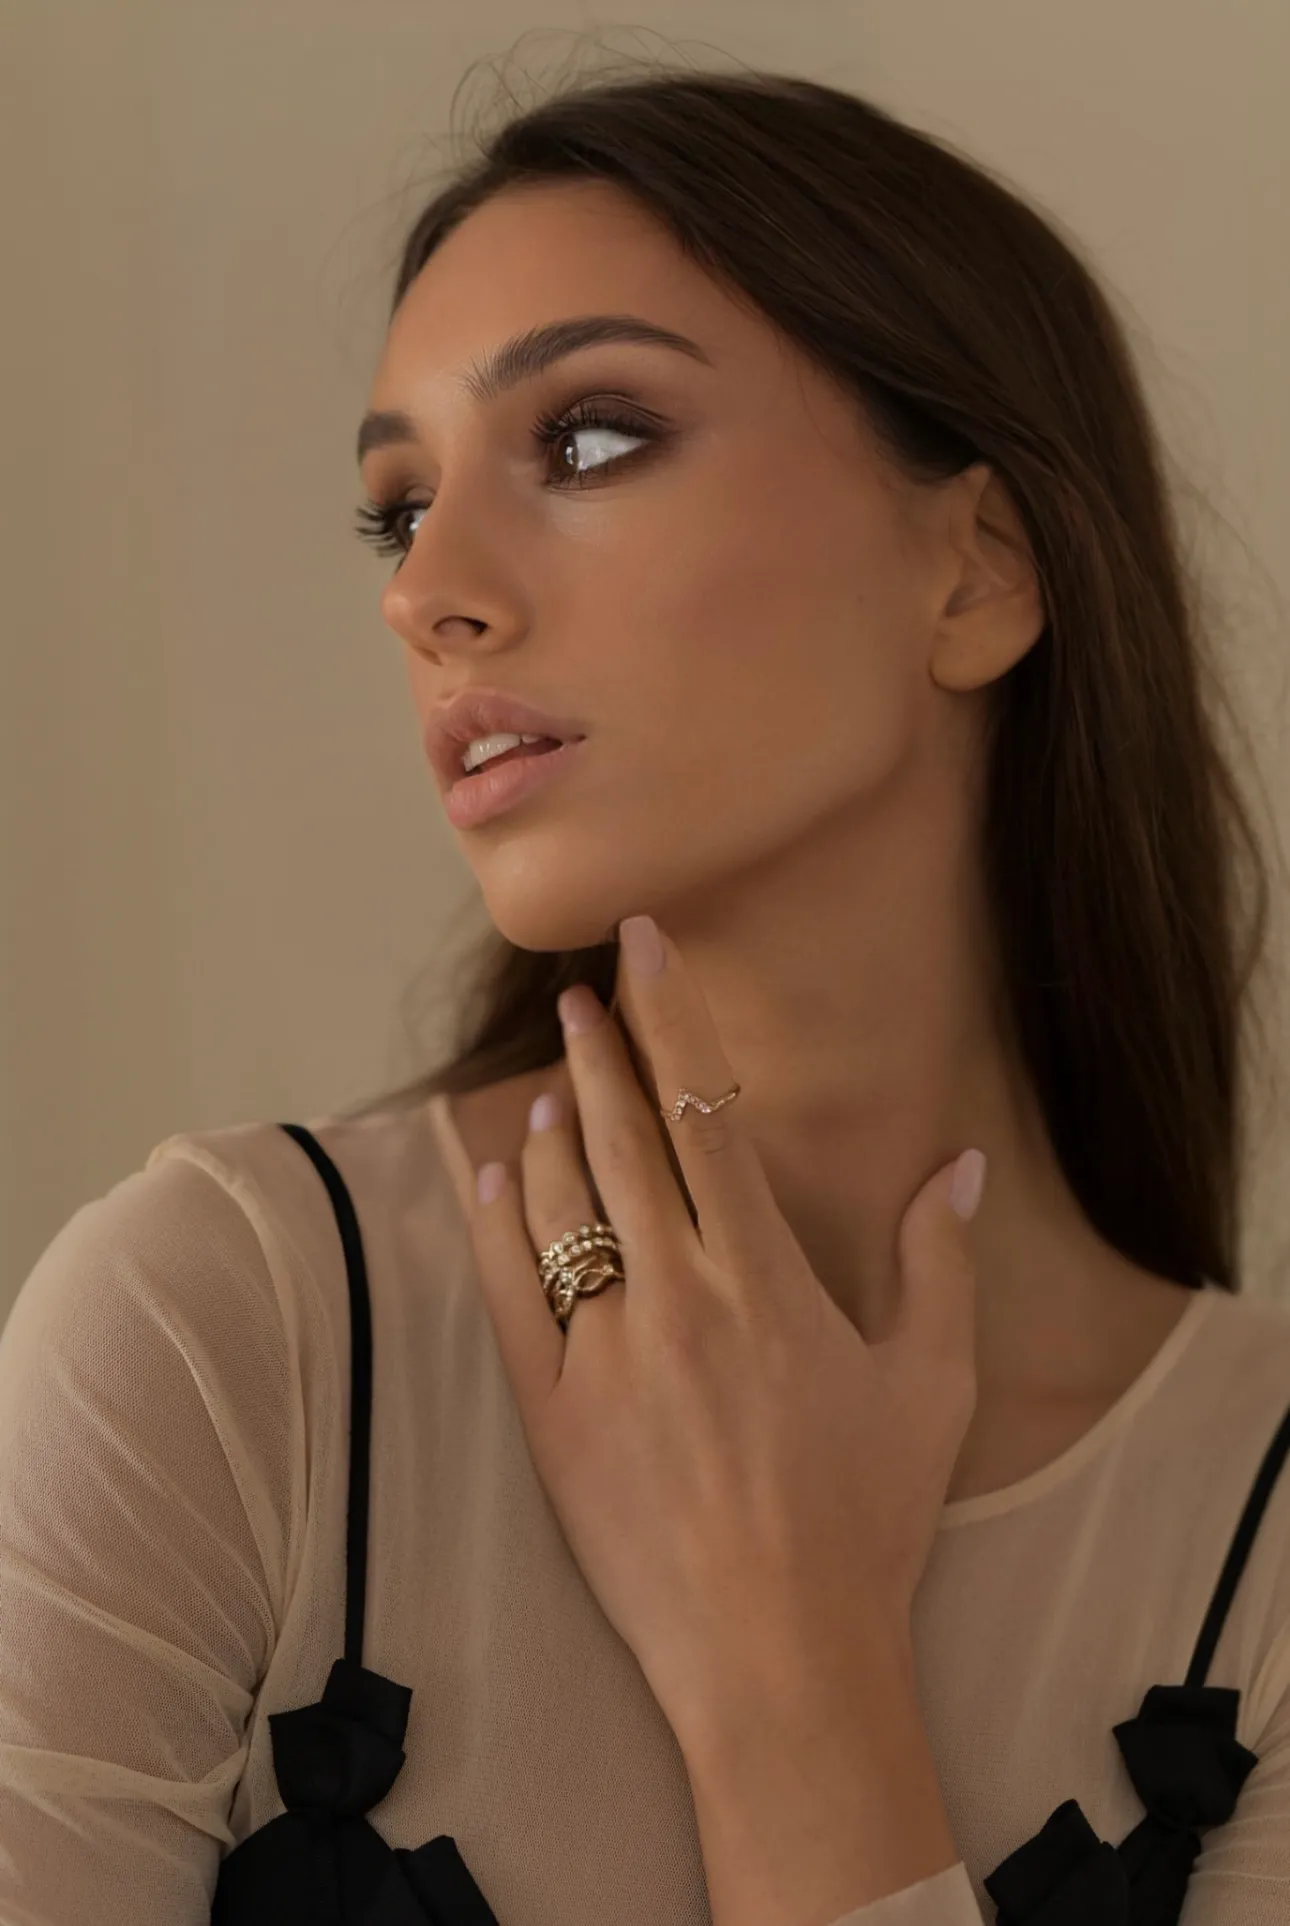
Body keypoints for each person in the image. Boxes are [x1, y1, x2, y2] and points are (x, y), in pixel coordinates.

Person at [2, 59, 1288, 1926]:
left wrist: (795, 1669)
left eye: (592, 438)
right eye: (397, 510)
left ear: (977, 569)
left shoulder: (1263, 1533)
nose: (426, 590)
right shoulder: (223, 1335)